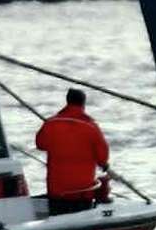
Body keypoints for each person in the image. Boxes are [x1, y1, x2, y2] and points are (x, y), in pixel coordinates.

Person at [35, 88, 110, 216]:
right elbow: (102, 158)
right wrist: (104, 165)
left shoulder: (51, 124)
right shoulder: (91, 127)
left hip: (57, 193)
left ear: (67, 101)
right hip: (82, 193)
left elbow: (40, 144)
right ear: (83, 103)